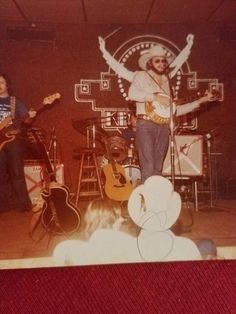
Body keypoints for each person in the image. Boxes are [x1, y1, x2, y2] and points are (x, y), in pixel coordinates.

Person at [98, 34, 216, 183]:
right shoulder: (141, 76)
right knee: (148, 166)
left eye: (163, 61)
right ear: (150, 63)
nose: (161, 63)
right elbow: (132, 94)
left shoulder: (167, 82)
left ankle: (156, 200)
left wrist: (202, 100)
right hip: (146, 125)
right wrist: (154, 97)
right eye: (157, 60)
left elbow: (175, 110)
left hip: (164, 126)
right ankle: (148, 203)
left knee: (158, 167)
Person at [0, 73, 36, 213]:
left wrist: (30, 116)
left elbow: (26, 120)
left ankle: (23, 206)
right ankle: (3, 206)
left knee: (16, 172)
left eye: (1, 82)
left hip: (14, 140)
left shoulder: (15, 101)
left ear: (7, 85)